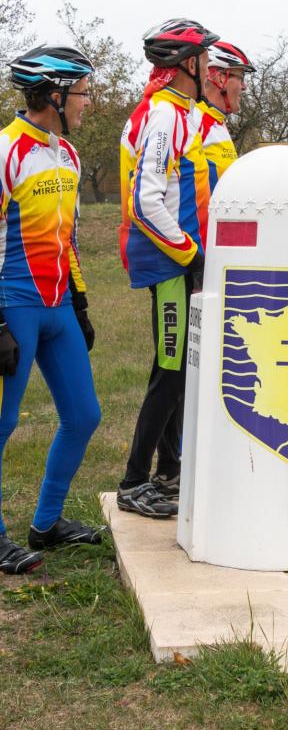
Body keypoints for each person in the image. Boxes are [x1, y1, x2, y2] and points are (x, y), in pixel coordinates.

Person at [0, 45, 103, 575]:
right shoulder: (7, 151)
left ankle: (47, 523)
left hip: (58, 304)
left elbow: (70, 239)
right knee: (2, 421)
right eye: (83, 92)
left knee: (84, 415)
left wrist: (79, 303)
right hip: (12, 304)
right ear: (54, 95)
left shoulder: (68, 155)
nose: (89, 102)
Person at [117, 18, 218, 519]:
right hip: (167, 261)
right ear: (187, 66)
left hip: (177, 257)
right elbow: (145, 201)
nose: (210, 66)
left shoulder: (181, 111)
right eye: (204, 59)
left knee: (175, 369)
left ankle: (161, 471)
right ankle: (134, 481)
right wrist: (190, 254)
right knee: (171, 370)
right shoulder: (164, 116)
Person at [196, 40, 255, 191]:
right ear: (221, 79)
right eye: (241, 78)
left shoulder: (218, 122)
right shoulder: (194, 121)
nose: (244, 87)